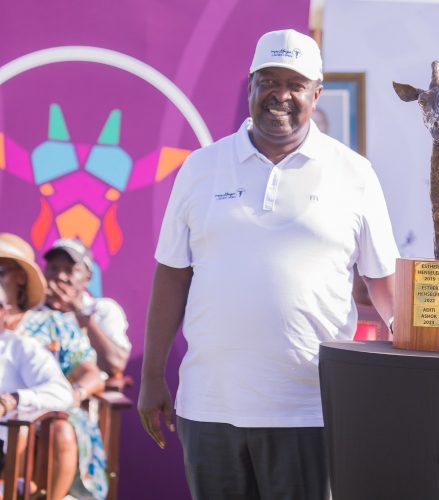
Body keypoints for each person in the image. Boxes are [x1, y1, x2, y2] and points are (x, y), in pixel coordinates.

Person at [138, 28, 398, 499]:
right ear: (251, 85)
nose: (280, 95)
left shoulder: (354, 173)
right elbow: (173, 275)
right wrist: (152, 374)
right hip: (210, 405)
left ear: (317, 93)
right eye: (269, 81)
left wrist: (422, 345)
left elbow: (382, 283)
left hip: (308, 408)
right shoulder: (201, 167)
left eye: (295, 84)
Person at [0, 232, 108, 499]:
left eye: (0, 270)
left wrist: (69, 397)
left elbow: (91, 373)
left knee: (56, 427)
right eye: (54, 268)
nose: (60, 275)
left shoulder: (52, 323)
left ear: (21, 277)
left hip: (47, 419)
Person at [0, 283, 73, 476]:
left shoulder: (20, 347)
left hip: (7, 451)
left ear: (5, 312)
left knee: (61, 430)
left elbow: (62, 394)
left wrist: (14, 400)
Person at [43, 238, 131, 380]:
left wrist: (79, 312)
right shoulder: (29, 311)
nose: (60, 276)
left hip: (87, 397)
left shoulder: (103, 309)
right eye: (53, 268)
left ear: (87, 278)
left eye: (69, 270)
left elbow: (115, 364)